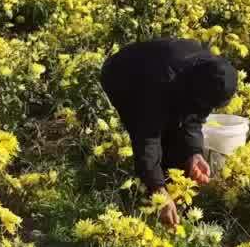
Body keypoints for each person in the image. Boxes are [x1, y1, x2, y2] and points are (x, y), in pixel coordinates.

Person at [101, 38, 238, 227]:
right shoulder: (162, 81)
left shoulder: (211, 76)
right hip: (123, 76)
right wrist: (158, 189)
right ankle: (145, 202)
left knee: (177, 143)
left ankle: (167, 196)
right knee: (156, 136)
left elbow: (194, 116)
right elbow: (147, 136)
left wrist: (194, 153)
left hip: (163, 75)